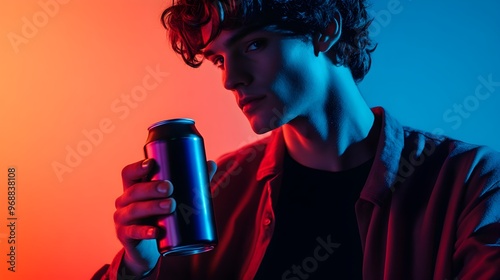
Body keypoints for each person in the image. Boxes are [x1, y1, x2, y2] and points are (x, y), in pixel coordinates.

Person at [93, 0, 500, 279]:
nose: (230, 78)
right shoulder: (213, 196)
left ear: (325, 30)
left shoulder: (471, 183)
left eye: (253, 44)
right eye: (218, 58)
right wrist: (136, 265)